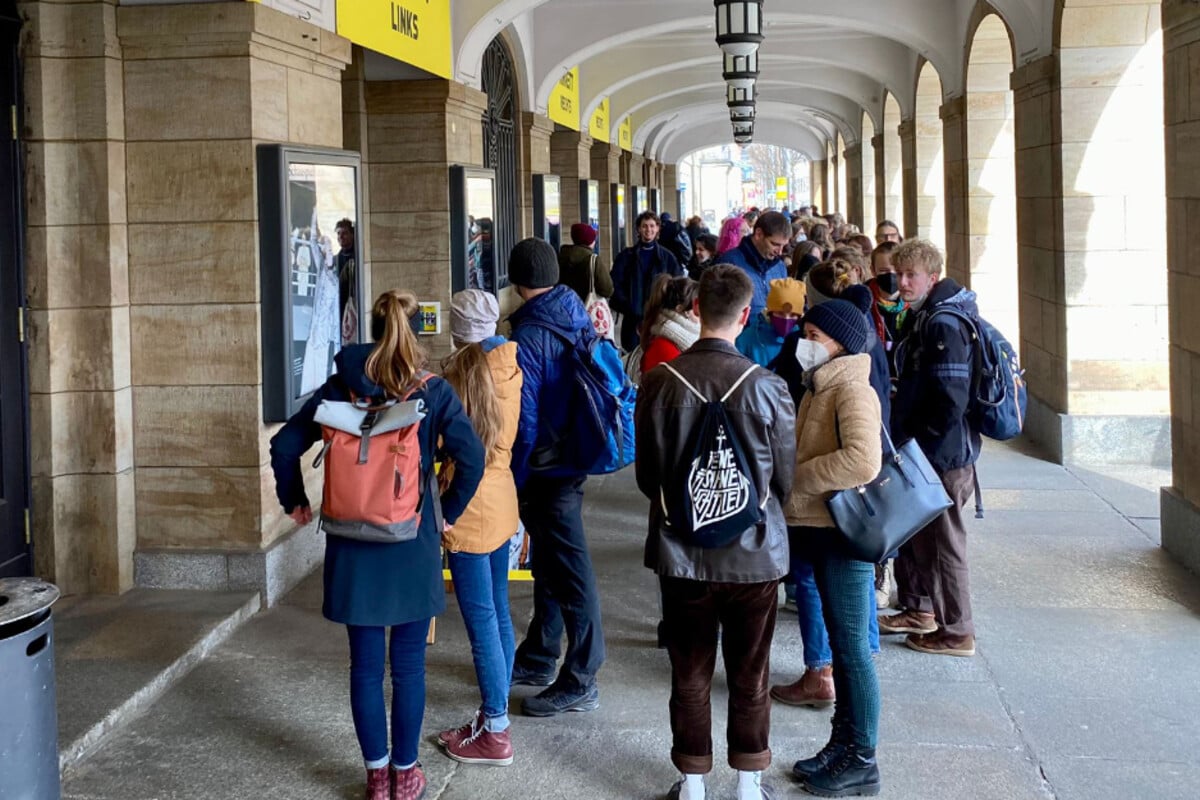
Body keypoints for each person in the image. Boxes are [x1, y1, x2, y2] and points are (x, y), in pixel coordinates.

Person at [269, 290, 485, 800]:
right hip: (411, 540)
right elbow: (471, 459)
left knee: (365, 666)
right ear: (415, 334)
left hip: (350, 545)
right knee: (408, 665)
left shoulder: (340, 387)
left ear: (369, 329)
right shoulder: (431, 392)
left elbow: (282, 445)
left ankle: (376, 777)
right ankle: (406, 776)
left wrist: (294, 500)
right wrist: (445, 514)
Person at [635, 264, 797, 800]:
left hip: (682, 554)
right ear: (746, 315)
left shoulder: (659, 383)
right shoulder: (769, 387)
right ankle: (749, 782)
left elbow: (646, 477)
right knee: (751, 671)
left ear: (696, 308)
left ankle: (693, 782)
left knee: (689, 669)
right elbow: (786, 479)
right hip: (754, 557)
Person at [784, 300, 884, 798]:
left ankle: (861, 758)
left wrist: (797, 480)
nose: (805, 341)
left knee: (852, 650)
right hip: (819, 530)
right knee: (842, 652)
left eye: (813, 333)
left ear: (839, 341)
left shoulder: (851, 388)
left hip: (843, 536)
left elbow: (863, 461)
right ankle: (841, 744)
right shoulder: (822, 383)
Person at [506, 238, 608, 715]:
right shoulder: (571, 309)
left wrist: (516, 474)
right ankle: (540, 654)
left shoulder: (529, 334)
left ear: (516, 280)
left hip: (547, 464)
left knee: (571, 570)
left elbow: (523, 421)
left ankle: (582, 675)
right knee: (550, 560)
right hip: (573, 453)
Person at [436, 290, 523, 767]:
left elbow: (450, 445)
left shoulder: (460, 379)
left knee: (482, 622)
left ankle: (496, 729)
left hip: (469, 507)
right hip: (502, 497)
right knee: (499, 612)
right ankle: (496, 712)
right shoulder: (509, 365)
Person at [880, 239, 980, 658]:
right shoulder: (926, 315)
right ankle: (920, 609)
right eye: (899, 274)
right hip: (931, 452)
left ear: (932, 277)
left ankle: (957, 631)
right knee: (921, 537)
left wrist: (923, 444)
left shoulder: (943, 324)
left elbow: (951, 399)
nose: (902, 283)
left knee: (944, 547)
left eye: (911, 276)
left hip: (943, 457)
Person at [610, 211, 684, 352]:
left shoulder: (667, 257)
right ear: (638, 228)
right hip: (632, 320)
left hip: (659, 318)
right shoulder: (626, 256)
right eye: (644, 226)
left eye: (652, 226)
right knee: (631, 356)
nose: (648, 230)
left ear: (657, 228)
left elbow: (677, 284)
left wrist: (666, 305)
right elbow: (615, 283)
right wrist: (627, 305)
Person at [717, 211, 791, 319]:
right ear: (758, 234)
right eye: (775, 244)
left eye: (783, 246)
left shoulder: (779, 267)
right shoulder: (729, 263)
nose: (779, 252)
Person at [735, 277, 806, 368]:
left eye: (793, 315)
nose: (786, 319)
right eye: (780, 313)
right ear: (770, 312)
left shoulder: (802, 340)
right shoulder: (747, 339)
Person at [639, 275, 701, 374]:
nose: (701, 312)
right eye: (697, 307)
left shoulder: (669, 334)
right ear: (680, 308)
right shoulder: (665, 347)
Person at [558, 222, 613, 304]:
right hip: (586, 307)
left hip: (564, 307)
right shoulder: (593, 260)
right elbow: (607, 290)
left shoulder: (560, 257)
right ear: (590, 241)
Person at [335, 218, 358, 344]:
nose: (341, 236)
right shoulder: (337, 259)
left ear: (352, 234)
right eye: (338, 233)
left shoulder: (358, 256)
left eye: (344, 233)